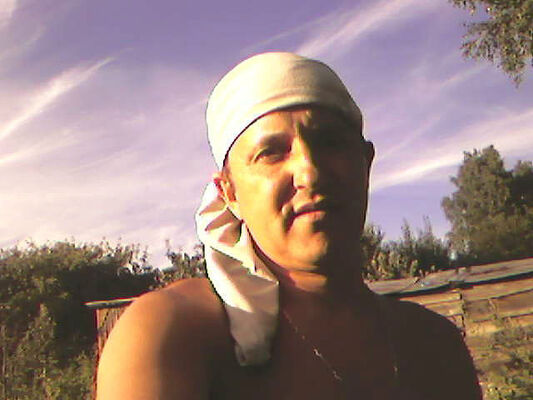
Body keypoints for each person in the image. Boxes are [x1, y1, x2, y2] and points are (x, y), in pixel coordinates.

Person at [96, 52, 482, 399]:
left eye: (330, 142)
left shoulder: (435, 345)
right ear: (229, 192)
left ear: (365, 163)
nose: (310, 173)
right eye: (271, 153)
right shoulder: (175, 333)